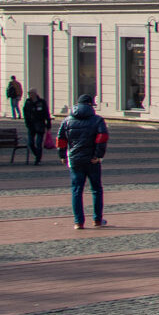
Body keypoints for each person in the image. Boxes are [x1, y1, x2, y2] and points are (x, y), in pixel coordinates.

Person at [55, 93, 109, 229]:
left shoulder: (67, 120)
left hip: (75, 159)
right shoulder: (97, 120)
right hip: (92, 160)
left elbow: (61, 139)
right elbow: (102, 138)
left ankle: (78, 222)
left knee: (77, 190)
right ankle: (97, 219)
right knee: (96, 189)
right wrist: (98, 155)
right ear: (91, 105)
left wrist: (62, 155)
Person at [22, 89, 51, 164]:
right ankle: (37, 155)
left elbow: (46, 113)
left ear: (35, 94)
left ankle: (38, 159)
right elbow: (25, 113)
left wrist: (48, 124)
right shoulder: (28, 102)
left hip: (40, 124)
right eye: (29, 93)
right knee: (30, 143)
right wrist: (27, 123)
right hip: (31, 125)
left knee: (38, 143)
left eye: (30, 93)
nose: (29, 95)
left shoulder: (41, 102)